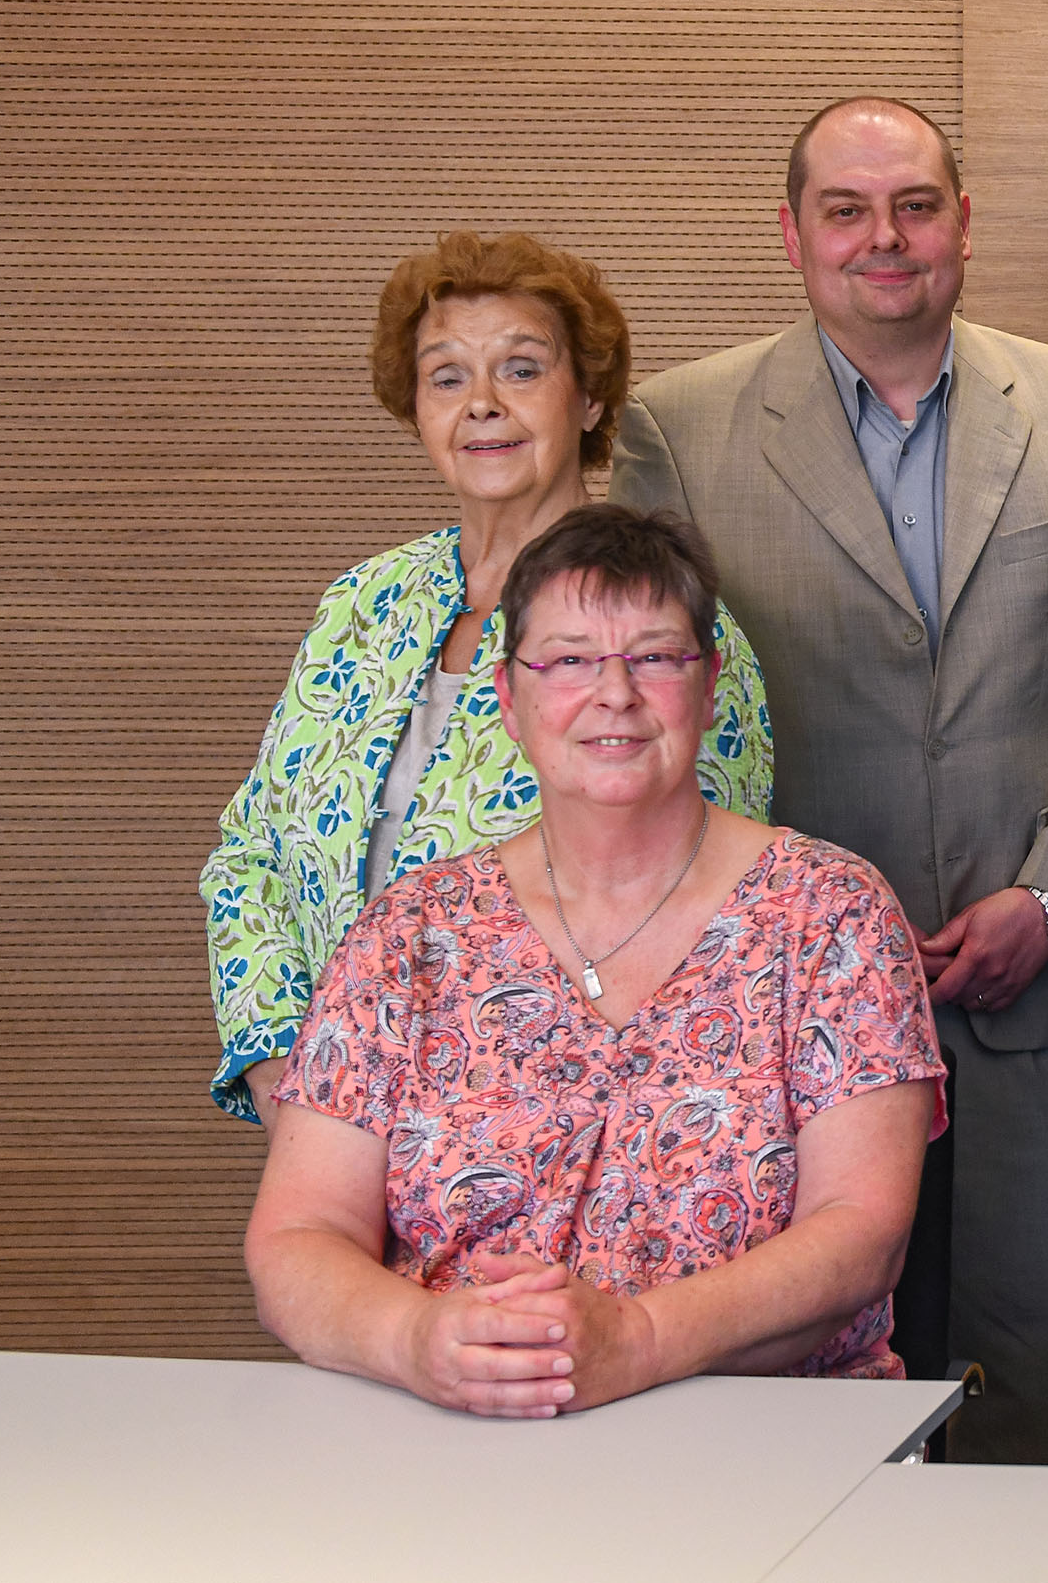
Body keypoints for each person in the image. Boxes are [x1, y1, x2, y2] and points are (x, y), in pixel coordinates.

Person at [609, 96, 1048, 1463]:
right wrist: (795, 929)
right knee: (792, 1388)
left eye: (914, 205)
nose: (884, 237)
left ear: (963, 222)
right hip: (774, 1005)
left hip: (1022, 980)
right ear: (792, 236)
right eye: (845, 211)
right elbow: (660, 717)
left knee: (1016, 1383)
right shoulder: (679, 426)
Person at [244, 506, 945, 1415]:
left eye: (655, 657)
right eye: (569, 660)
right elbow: (297, 1239)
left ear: (709, 685)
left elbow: (862, 1235)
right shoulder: (407, 934)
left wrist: (639, 1338)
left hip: (770, 1437)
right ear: (509, 697)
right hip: (461, 1435)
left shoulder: (830, 912)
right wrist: (415, 1340)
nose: (614, 693)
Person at [203, 231, 775, 1123]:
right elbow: (252, 853)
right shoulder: (361, 604)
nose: (481, 404)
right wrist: (281, 1065)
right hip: (327, 1120)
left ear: (588, 398)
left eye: (520, 369)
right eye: (446, 377)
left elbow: (708, 916)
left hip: (550, 1133)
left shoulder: (666, 620)